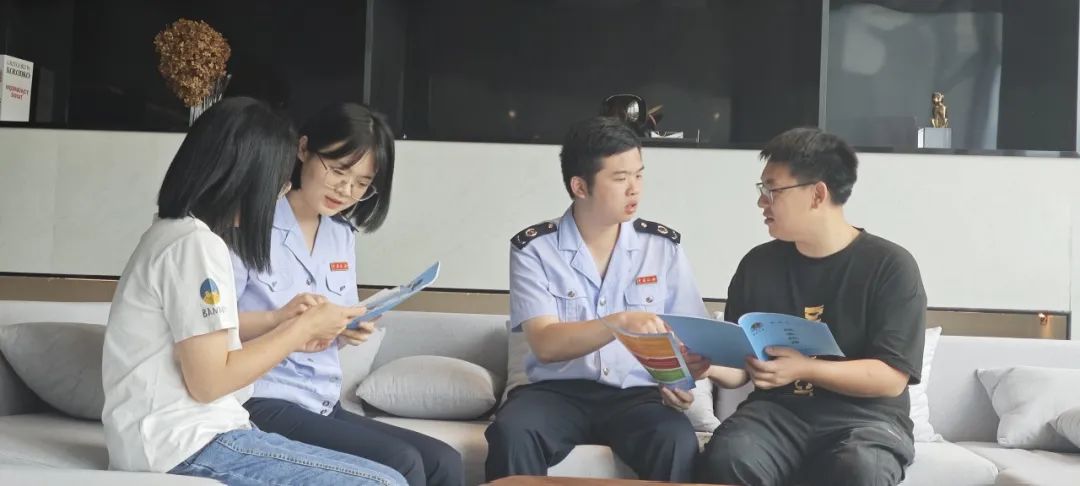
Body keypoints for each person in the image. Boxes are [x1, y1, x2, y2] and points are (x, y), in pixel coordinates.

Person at [101, 97, 406, 486]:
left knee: (389, 476)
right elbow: (210, 382)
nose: (282, 191)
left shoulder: (175, 234)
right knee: (385, 483)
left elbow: (207, 350)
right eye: (278, 180)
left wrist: (283, 322)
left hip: (204, 430)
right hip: (183, 442)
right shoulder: (195, 246)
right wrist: (299, 329)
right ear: (243, 177)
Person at [233, 102, 463, 486]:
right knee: (402, 461)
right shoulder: (249, 224)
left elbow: (326, 329)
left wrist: (345, 330)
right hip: (262, 398)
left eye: (361, 183)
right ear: (303, 149)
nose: (346, 190)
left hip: (321, 402)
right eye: (339, 171)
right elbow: (213, 326)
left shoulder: (341, 235)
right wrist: (288, 322)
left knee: (445, 461)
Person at [484, 116, 717, 482]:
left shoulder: (662, 247)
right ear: (580, 186)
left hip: (637, 395)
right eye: (620, 178)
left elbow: (692, 336)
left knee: (675, 440)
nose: (635, 189)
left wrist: (679, 381)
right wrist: (619, 323)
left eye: (639, 175)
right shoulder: (534, 249)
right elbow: (546, 344)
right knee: (512, 431)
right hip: (555, 392)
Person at [695, 127, 926, 486]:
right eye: (761, 190)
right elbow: (742, 368)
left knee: (862, 469)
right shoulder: (757, 265)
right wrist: (706, 365)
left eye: (772, 190)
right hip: (775, 416)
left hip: (866, 421)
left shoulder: (890, 266)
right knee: (729, 457)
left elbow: (891, 377)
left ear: (817, 194)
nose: (761, 203)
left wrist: (805, 368)